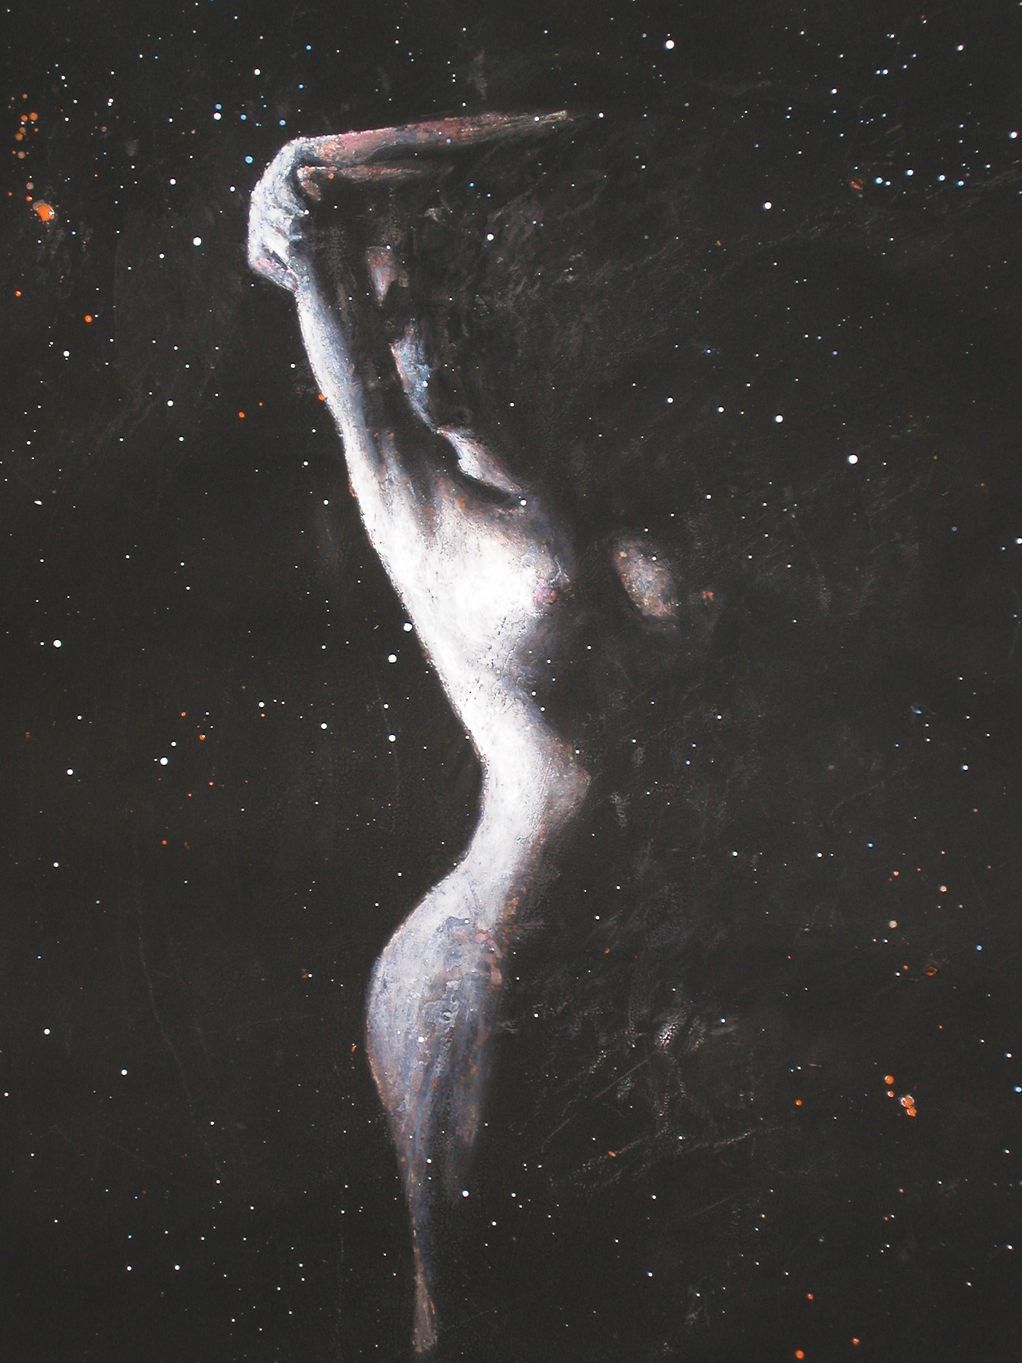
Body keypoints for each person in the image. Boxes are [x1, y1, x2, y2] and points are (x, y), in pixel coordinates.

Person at [248, 112, 675, 1354]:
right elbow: (303, 186)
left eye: (438, 302)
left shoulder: (602, 481)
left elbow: (601, 148)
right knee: (468, 1329)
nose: (419, 336)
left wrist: (549, 135)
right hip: (485, 967)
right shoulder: (410, 496)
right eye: (390, 317)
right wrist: (303, 190)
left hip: (633, 960)